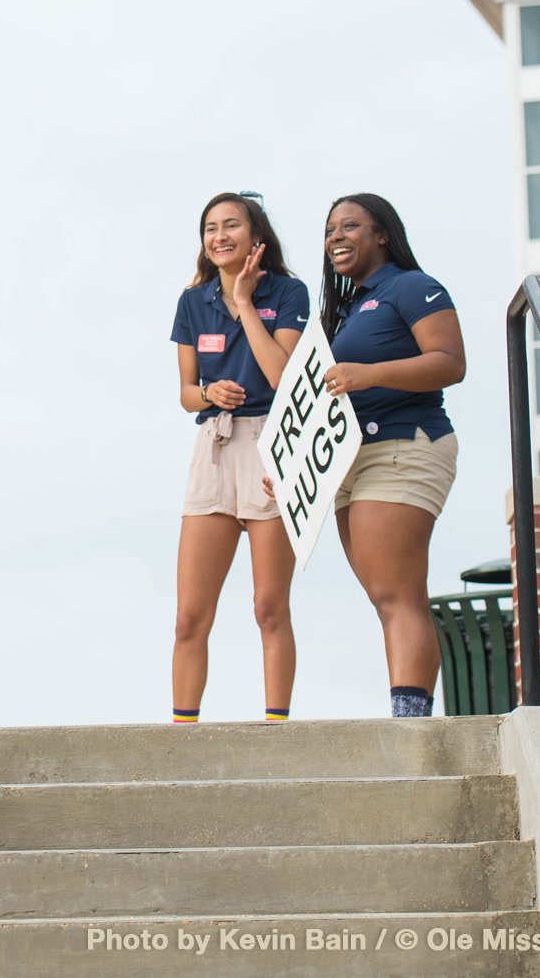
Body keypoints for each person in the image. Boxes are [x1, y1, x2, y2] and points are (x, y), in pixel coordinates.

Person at [319, 193, 465, 718]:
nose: (336, 236)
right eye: (330, 228)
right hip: (351, 460)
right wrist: (293, 476)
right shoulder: (348, 311)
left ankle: (411, 728)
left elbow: (450, 362)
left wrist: (371, 373)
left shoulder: (413, 287)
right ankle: (409, 715)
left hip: (404, 443)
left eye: (350, 225)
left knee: (397, 594)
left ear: (382, 234)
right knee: (386, 597)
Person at [168, 192, 309, 724]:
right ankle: (183, 733)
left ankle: (275, 729)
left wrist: (247, 302)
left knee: (269, 607)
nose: (220, 236)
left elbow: (283, 375)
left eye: (231, 226)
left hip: (274, 443)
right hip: (215, 444)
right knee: (188, 616)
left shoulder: (288, 292)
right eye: (210, 228)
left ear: (256, 236)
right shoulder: (192, 301)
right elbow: (185, 393)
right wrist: (209, 394)